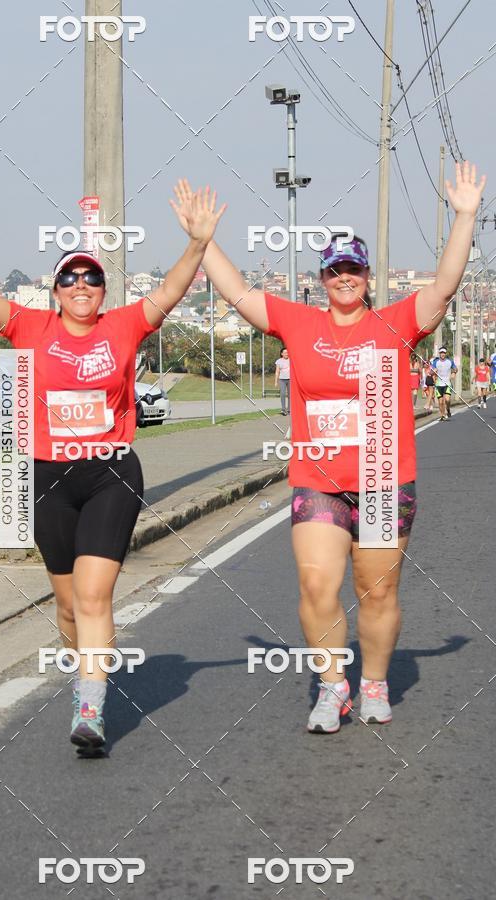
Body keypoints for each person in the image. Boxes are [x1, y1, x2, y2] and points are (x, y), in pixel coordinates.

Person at [0, 184, 225, 754]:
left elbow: (172, 292)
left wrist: (197, 244)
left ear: (103, 290)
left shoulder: (123, 326)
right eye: (70, 279)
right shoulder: (30, 327)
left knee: (96, 596)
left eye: (92, 278)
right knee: (69, 604)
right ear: (54, 291)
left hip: (110, 473)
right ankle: (88, 674)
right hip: (48, 477)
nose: (82, 286)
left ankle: (91, 707)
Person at [172, 161, 485, 733]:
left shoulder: (395, 323)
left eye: (354, 269)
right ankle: (332, 686)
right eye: (335, 269)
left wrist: (464, 216)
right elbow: (239, 292)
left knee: (378, 590)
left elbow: (443, 285)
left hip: (385, 481)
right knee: (317, 584)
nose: (345, 277)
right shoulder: (299, 324)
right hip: (319, 482)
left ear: (368, 276)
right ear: (322, 277)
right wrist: (203, 241)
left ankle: (374, 684)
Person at [431, 347, 457, 420]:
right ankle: (442, 415)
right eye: (441, 353)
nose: (443, 354)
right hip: (438, 384)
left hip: (447, 383)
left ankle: (448, 410)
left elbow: (455, 368)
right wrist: (433, 371)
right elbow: (430, 372)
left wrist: (454, 373)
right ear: (439, 353)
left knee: (447, 400)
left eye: (444, 353)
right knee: (440, 402)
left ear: (445, 354)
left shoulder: (450, 361)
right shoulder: (435, 362)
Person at [274, 346, 291, 415]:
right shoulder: (279, 361)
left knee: (290, 395)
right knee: (283, 394)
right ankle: (283, 409)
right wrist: (276, 381)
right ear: (282, 354)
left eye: (287, 352)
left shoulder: (291, 359)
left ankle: (290, 409)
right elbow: (277, 372)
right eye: (285, 352)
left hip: (290, 380)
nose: (287, 354)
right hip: (282, 380)